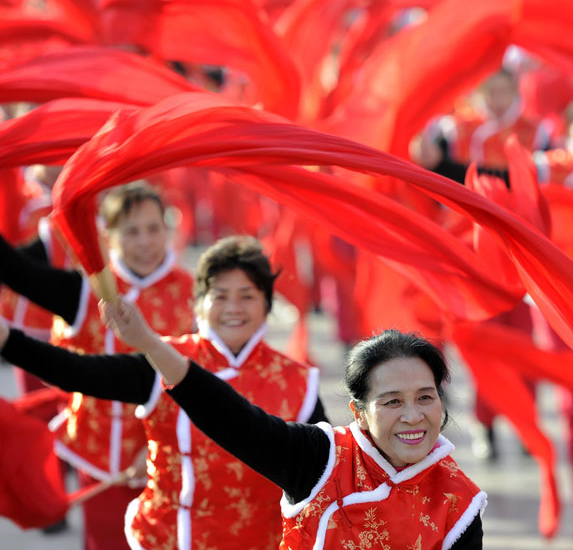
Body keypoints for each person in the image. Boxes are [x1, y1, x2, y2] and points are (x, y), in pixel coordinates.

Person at [0, 236, 325, 548]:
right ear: (199, 304)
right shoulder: (166, 359)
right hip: (167, 539)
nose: (233, 307)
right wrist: (9, 342)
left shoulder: (298, 382)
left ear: (267, 304)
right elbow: (79, 373)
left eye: (247, 296)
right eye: (220, 296)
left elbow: (324, 477)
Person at [96, 302, 487, 548]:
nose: (413, 416)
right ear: (358, 411)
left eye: (425, 397)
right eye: (392, 401)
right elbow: (233, 419)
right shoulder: (322, 459)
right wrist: (151, 344)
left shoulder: (459, 502)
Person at [0, 181, 195, 550]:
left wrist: (159, 448)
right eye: (132, 231)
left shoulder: (193, 294)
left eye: (153, 229)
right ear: (107, 236)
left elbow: (205, 383)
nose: (145, 242)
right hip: (99, 459)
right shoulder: (86, 291)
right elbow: (16, 270)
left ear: (168, 230)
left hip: (174, 459)